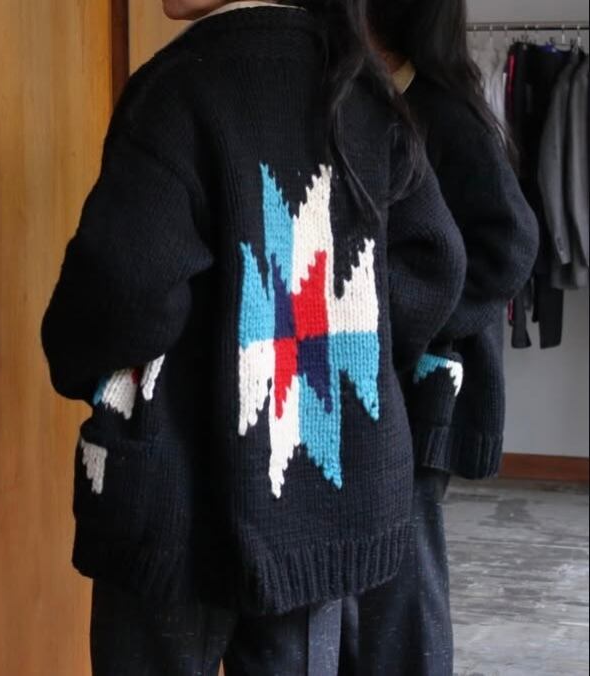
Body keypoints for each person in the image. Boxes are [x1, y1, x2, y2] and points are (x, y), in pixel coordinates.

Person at [42, 1, 467, 673]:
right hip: (315, 491)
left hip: (170, 501)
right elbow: (436, 261)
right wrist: (360, 356)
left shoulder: (177, 89)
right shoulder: (359, 85)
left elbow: (123, 285)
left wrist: (81, 363)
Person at [339, 2, 539, 674]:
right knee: (370, 578)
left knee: (402, 585)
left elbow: (511, 243)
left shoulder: (440, 112)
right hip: (385, 385)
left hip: (427, 388)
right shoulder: (370, 99)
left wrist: (412, 319)